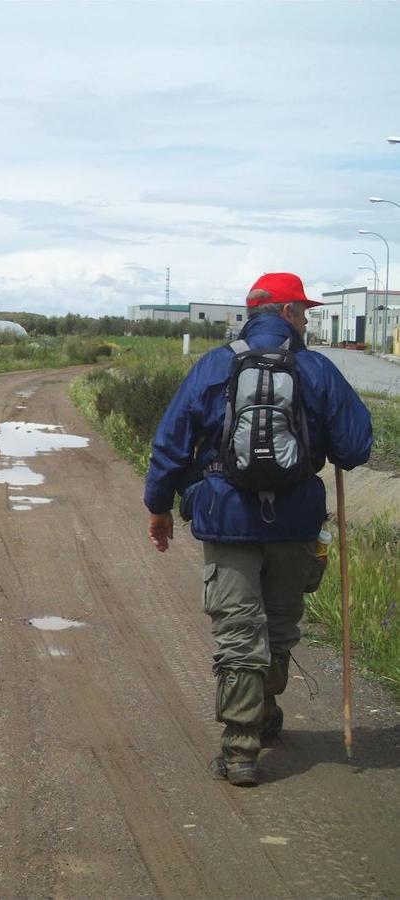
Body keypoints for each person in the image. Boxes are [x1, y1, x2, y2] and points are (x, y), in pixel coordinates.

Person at [144, 273, 372, 787]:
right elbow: (356, 447)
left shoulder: (213, 365)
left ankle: (241, 748)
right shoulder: (316, 369)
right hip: (295, 523)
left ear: (253, 311)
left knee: (237, 631)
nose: (308, 320)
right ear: (288, 313)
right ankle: (264, 715)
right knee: (279, 627)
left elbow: (172, 444)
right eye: (305, 312)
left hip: (227, 518)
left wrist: (159, 507)